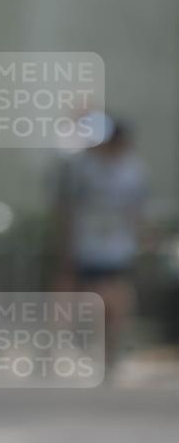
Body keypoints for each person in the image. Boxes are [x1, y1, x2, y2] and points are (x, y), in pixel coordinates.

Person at [52, 116, 150, 372]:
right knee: (92, 297)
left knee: (116, 296)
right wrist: (67, 245)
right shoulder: (84, 168)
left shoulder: (133, 170)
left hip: (118, 246)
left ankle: (110, 351)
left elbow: (136, 210)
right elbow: (68, 209)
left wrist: (140, 237)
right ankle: (91, 348)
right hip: (88, 245)